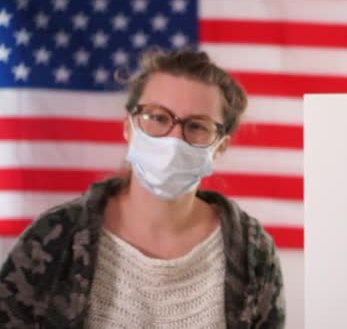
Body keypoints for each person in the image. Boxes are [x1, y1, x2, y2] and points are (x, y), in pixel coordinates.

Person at [0, 50, 285, 328]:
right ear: (129, 127)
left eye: (197, 125)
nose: (175, 139)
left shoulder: (253, 252)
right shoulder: (55, 237)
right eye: (158, 117)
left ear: (220, 146)